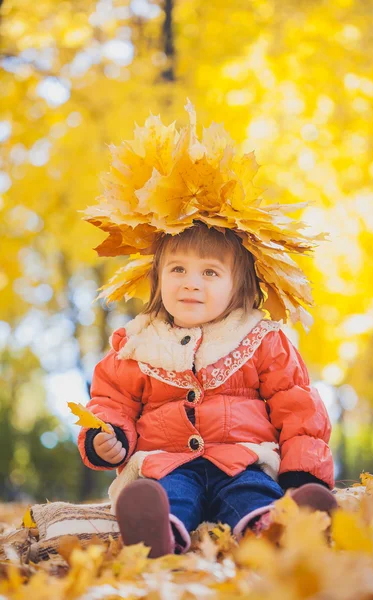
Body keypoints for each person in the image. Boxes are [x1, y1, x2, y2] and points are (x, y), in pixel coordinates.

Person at [77, 101, 337, 558]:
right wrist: (110, 437)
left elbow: (296, 405)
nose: (190, 282)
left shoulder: (260, 338)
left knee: (252, 496)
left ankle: (281, 525)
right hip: (166, 463)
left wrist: (303, 471)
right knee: (173, 495)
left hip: (244, 459)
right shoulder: (138, 344)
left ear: (240, 286)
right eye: (177, 269)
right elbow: (112, 400)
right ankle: (157, 530)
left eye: (210, 273)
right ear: (158, 278)